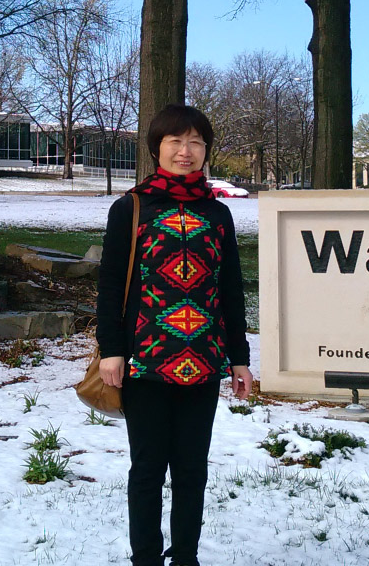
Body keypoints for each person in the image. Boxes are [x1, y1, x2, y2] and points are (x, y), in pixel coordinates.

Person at [95, 105, 252, 566]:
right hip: (144, 360)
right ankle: (145, 558)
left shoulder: (218, 213)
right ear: (156, 149)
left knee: (191, 470)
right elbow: (110, 284)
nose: (186, 151)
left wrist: (239, 358)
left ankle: (185, 557)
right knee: (147, 469)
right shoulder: (131, 208)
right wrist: (112, 349)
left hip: (203, 360)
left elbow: (230, 288)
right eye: (176, 142)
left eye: (196, 142)